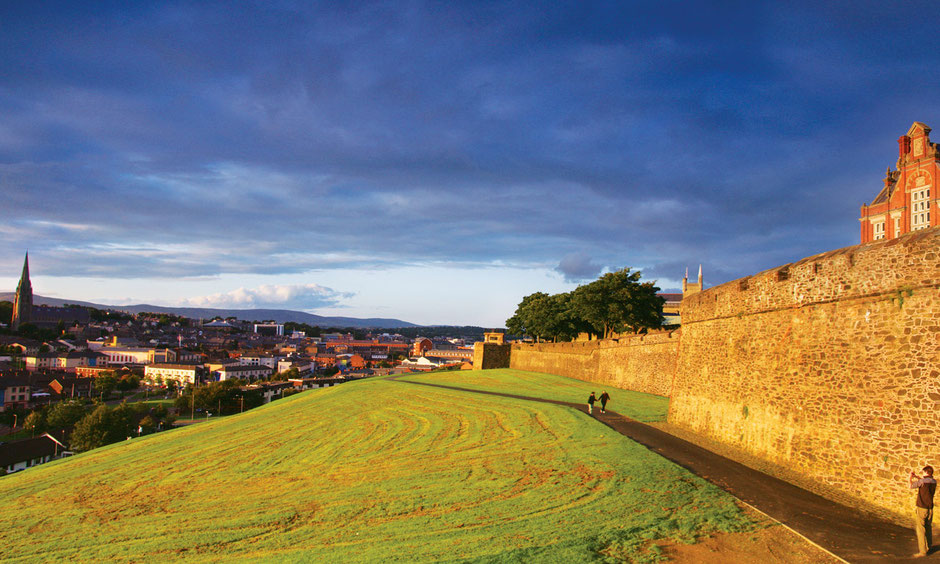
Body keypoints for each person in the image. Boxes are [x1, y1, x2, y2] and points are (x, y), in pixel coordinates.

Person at [910, 465, 937, 557]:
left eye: (923, 472)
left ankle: (922, 551)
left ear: (926, 472)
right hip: (930, 508)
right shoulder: (934, 481)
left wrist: (910, 477)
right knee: (928, 527)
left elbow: (911, 486)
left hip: (922, 507)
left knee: (921, 529)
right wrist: (917, 477)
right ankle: (929, 546)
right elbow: (925, 480)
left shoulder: (922, 482)